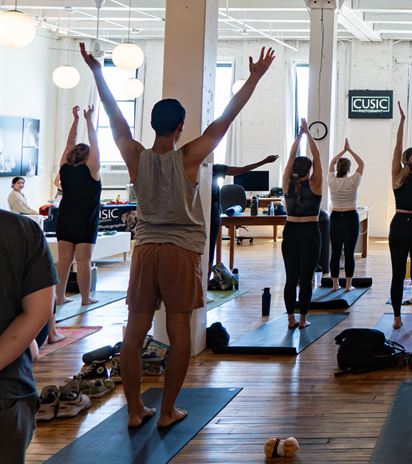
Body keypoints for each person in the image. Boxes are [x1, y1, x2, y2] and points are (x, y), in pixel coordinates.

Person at [82, 42, 274, 429]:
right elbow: (225, 119)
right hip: (181, 252)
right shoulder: (188, 157)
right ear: (181, 126)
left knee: (134, 333)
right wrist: (254, 78)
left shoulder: (135, 156)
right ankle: (167, 410)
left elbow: (115, 115)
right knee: (179, 331)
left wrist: (98, 72)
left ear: (153, 124)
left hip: (145, 250)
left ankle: (135, 410)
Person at [0, 210, 57, 463]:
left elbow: (39, 313)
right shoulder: (21, 229)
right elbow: (39, 311)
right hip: (9, 389)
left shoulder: (21, 230)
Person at [53, 105, 101, 308]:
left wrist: (76, 120)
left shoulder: (64, 167)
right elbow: (95, 142)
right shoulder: (93, 169)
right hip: (85, 220)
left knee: (64, 260)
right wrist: (89, 120)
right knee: (83, 261)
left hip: (65, 218)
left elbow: (69, 143)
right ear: (88, 157)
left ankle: (59, 297)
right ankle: (85, 298)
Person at [282, 119, 323, 329]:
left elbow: (290, 157)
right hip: (310, 233)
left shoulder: (286, 183)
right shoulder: (315, 184)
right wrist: (308, 133)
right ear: (309, 170)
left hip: (290, 232)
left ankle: (291, 319)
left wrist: (299, 136)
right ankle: (303, 320)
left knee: (291, 278)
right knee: (306, 279)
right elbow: (317, 156)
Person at [209, 155, 278, 272]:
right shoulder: (214, 169)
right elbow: (242, 170)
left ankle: (206, 275)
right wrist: (264, 161)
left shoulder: (212, 168)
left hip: (211, 215)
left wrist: (264, 161)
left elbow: (242, 170)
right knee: (208, 253)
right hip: (210, 215)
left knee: (208, 253)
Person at [390, 102, 412, 330]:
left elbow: (398, 146)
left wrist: (402, 122)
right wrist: (402, 122)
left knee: (399, 274)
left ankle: (399, 318)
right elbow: (398, 147)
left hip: (400, 225)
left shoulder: (398, 176)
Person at [327, 139, 363, 291]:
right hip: (350, 218)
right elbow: (361, 164)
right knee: (349, 253)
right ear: (348, 169)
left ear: (337, 168)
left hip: (335, 218)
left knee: (335, 253)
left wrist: (343, 151)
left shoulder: (331, 181)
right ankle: (348, 285)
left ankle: (335, 284)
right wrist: (350, 150)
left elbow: (331, 162)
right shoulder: (353, 181)